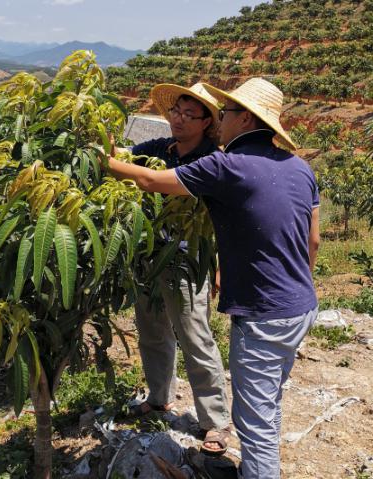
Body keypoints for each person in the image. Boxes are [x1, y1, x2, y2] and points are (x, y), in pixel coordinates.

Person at [107, 77, 320, 478]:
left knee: (253, 423)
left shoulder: (227, 164)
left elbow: (150, 180)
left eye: (226, 113)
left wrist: (97, 160)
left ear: (244, 120)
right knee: (266, 404)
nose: (221, 119)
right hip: (301, 306)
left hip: (262, 312)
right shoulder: (299, 167)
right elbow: (314, 241)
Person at [125, 82, 231, 456]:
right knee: (151, 328)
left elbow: (219, 219)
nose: (180, 120)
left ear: (207, 123)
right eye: (176, 112)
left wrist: (218, 264)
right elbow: (128, 159)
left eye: (190, 115)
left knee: (194, 336)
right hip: (149, 254)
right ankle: (158, 398)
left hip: (187, 260)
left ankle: (215, 421)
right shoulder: (158, 149)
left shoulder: (212, 160)